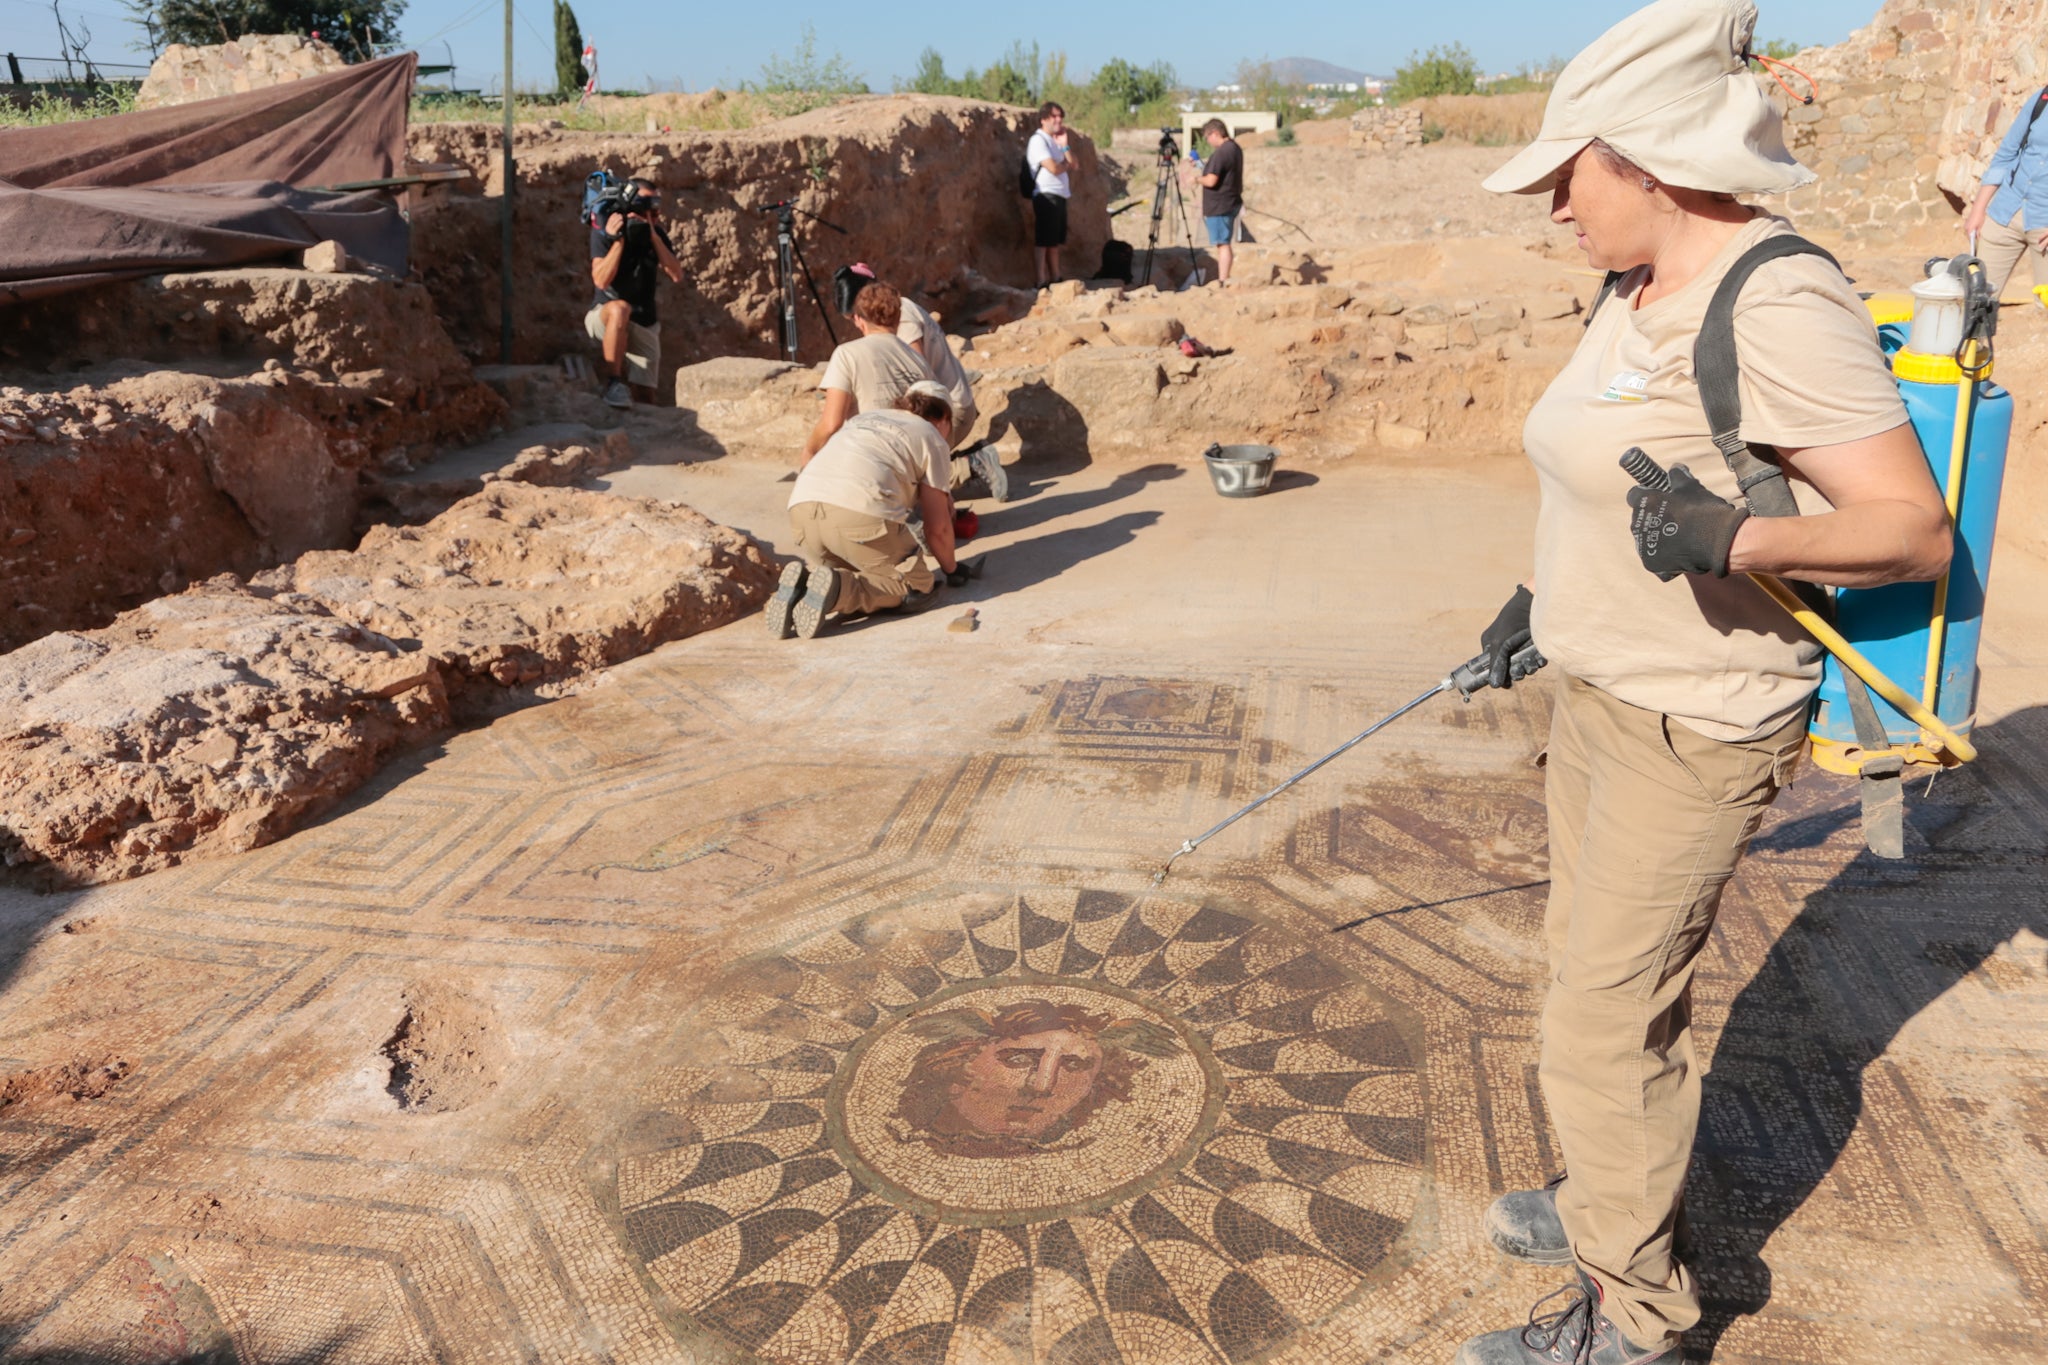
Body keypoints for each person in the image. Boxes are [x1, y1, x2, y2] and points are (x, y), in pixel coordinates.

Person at [1455, 2, 1953, 1362]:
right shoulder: (1631, 289)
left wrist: (1741, 536)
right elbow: (1595, 467)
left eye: (1571, 174)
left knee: (1599, 1025)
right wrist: (1539, 600)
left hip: (1700, 715)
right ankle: (1617, 1191)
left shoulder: (1778, 297)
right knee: (1594, 983)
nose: (1555, 202)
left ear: (1652, 161)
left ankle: (1641, 1315)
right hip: (1602, 690)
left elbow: (1910, 528)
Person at [768, 381, 968, 641]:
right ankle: (839, 592)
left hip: (802, 514)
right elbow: (937, 528)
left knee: (854, 570)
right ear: (944, 418)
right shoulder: (931, 436)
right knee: (916, 584)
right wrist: (951, 569)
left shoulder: (864, 419)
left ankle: (804, 586)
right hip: (857, 518)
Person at [833, 263, 1010, 501]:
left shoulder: (902, 315)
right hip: (938, 405)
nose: (856, 323)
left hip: (947, 411)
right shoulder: (891, 313)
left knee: (893, 478)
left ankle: (970, 465)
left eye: (855, 316)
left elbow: (917, 382)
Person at [802, 281, 932, 461]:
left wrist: (809, 451)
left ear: (858, 319)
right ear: (899, 316)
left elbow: (832, 424)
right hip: (910, 461)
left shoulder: (847, 354)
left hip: (868, 458)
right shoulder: (919, 361)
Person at [586, 178, 682, 408]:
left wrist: (653, 235)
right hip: (605, 315)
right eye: (645, 209)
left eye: (655, 212)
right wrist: (618, 241)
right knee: (621, 308)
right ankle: (613, 383)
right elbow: (600, 280)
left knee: (646, 399)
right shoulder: (604, 230)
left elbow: (677, 275)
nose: (651, 216)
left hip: (644, 321)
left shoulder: (656, 233)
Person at [1960, 85, 2048, 298]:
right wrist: (1978, 210)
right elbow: (2006, 154)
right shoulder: (2041, 99)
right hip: (2006, 211)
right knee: (1976, 300)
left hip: (2044, 225)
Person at [1027, 102, 1072, 288]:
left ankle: (1056, 277)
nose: (1058, 120)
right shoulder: (1038, 140)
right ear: (1044, 119)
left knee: (1053, 241)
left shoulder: (1056, 141)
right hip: (1046, 194)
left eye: (1060, 116)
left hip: (1059, 195)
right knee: (1044, 239)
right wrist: (1065, 166)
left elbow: (1074, 163)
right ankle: (1041, 280)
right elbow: (1053, 168)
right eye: (1054, 116)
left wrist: (1065, 147)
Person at [1195, 118, 1244, 283]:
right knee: (1223, 242)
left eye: (1207, 137)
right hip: (1228, 202)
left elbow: (1211, 180)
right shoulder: (1234, 148)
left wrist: (1196, 179)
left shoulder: (1223, 152)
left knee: (1222, 244)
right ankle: (1223, 279)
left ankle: (1223, 280)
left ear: (1215, 133)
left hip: (1220, 205)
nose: (1208, 141)